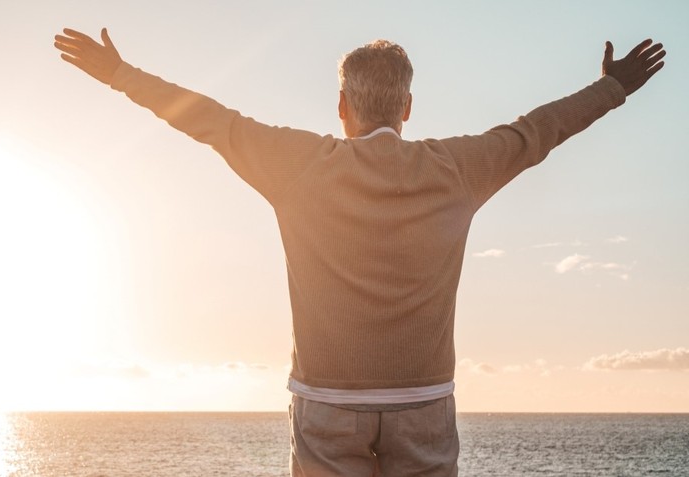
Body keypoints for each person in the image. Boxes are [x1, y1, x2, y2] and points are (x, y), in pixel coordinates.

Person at [53, 28, 665, 476]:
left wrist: (118, 73)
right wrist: (614, 87)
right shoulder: (456, 168)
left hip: (327, 404)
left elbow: (208, 119)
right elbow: (538, 131)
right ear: (407, 109)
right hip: (423, 403)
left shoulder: (298, 165)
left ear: (343, 107)